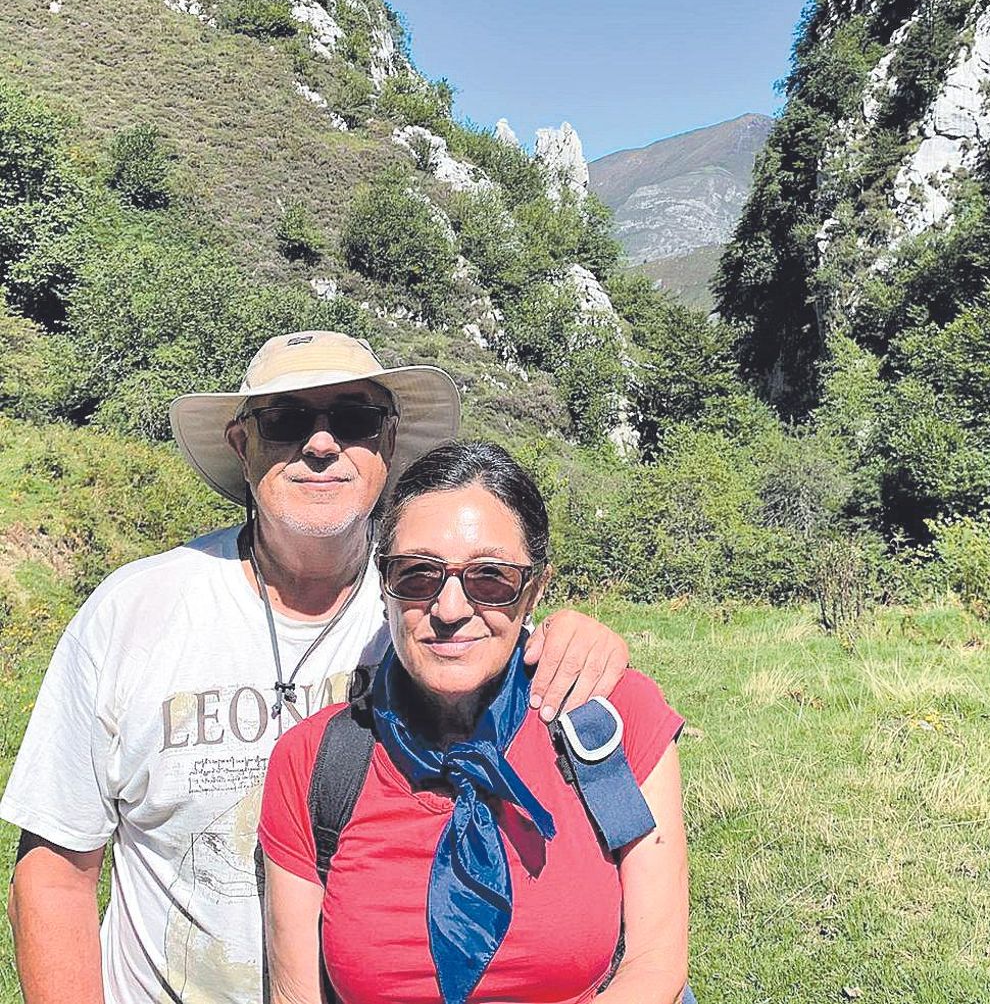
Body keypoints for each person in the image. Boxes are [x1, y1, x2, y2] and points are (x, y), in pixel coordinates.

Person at [2, 331, 631, 1004]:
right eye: (287, 419)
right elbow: (57, 868)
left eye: (355, 420)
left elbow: (529, 668)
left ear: (389, 444)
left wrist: (578, 639)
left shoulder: (432, 612)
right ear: (243, 446)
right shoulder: (131, 613)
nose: (322, 444)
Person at [258, 439, 688, 1004]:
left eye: (490, 578)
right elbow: (295, 996)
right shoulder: (314, 761)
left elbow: (655, 965)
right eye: (418, 575)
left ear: (533, 589)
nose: (451, 609)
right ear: (383, 585)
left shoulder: (610, 719)